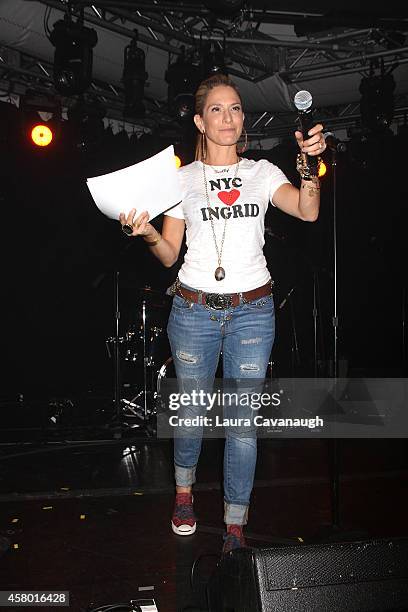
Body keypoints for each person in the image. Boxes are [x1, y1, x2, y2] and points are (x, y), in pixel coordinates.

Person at [120, 73, 325, 554]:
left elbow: (307, 211)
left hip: (252, 310)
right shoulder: (182, 179)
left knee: (242, 422)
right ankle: (185, 493)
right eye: (217, 108)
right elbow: (169, 253)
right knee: (189, 415)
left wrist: (311, 166)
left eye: (235, 108)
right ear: (199, 120)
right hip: (192, 311)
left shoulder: (263, 172)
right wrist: (147, 232)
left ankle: (235, 523)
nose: (229, 116)